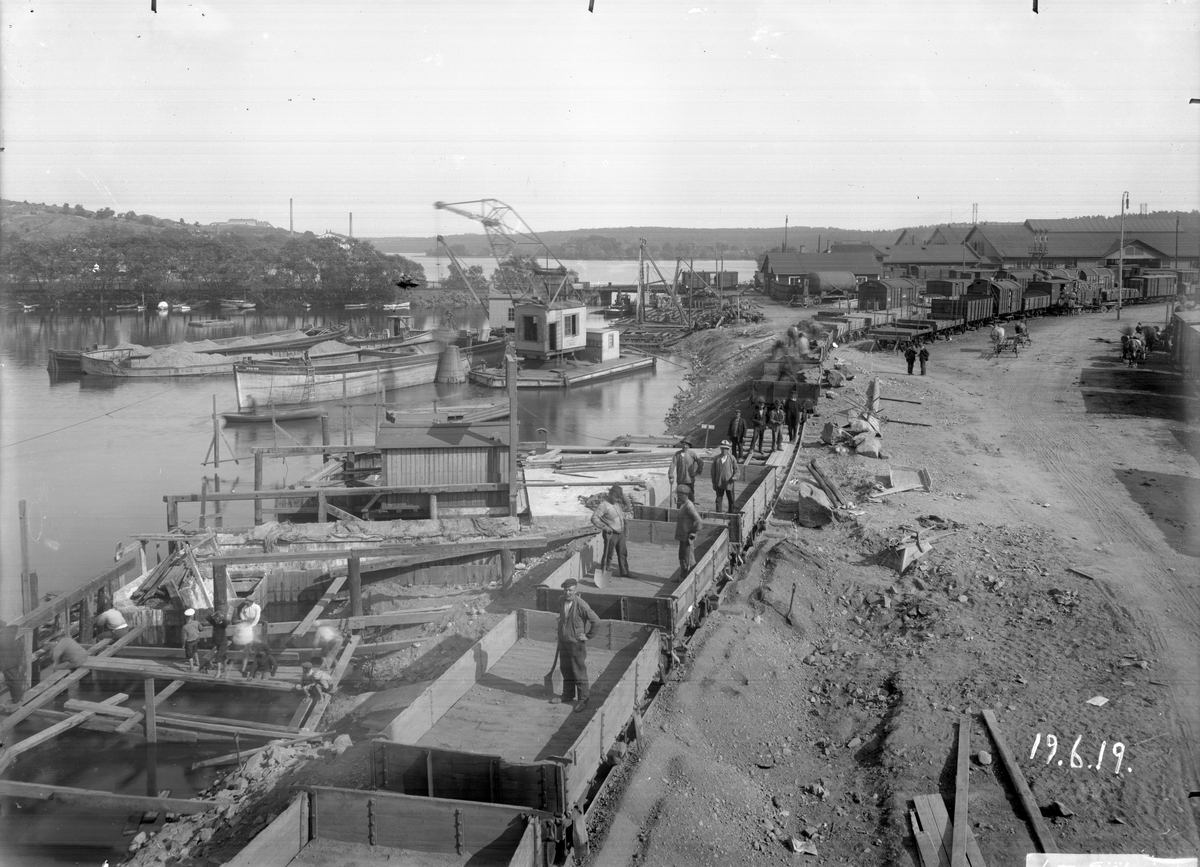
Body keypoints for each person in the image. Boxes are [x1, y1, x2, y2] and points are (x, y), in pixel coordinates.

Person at [553, 578, 600, 713]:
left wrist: (588, 636)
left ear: (576, 590)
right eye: (565, 590)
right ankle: (567, 695)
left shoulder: (581, 605)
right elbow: (562, 616)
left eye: (570, 590)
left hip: (576, 644)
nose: (567, 592)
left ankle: (583, 700)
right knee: (566, 669)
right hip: (563, 642)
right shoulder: (561, 600)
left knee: (579, 671)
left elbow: (597, 621)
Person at [590, 488, 630, 577]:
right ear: (610, 495)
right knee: (608, 555)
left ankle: (625, 572)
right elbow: (594, 518)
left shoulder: (616, 504)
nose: (617, 500)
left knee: (623, 553)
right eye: (616, 498)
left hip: (620, 533)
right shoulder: (603, 506)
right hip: (611, 534)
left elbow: (627, 505)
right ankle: (605, 573)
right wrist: (605, 527)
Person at [668, 439, 704, 506]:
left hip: (689, 480)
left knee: (690, 496)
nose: (685, 446)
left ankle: (691, 509)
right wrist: (670, 473)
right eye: (684, 444)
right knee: (680, 496)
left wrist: (697, 472)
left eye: (686, 445)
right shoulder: (677, 454)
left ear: (689, 446)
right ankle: (679, 510)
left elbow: (701, 462)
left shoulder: (692, 454)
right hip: (680, 480)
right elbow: (673, 464)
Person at [675, 498, 702, 581]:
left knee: (689, 560)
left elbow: (698, 521)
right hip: (683, 536)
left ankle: (694, 581)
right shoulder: (683, 505)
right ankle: (682, 578)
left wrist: (693, 532)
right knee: (682, 557)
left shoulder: (689, 506)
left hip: (687, 537)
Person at [0, 619, 25, 705]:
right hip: (15, 659)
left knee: (11, 681)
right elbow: (15, 626)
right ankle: (19, 697)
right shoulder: (9, 631)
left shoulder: (1, 638)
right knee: (14, 679)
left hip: (7, 663)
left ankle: (17, 699)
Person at [202, 606, 231, 677]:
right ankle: (225, 668)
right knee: (222, 656)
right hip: (218, 642)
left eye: (217, 618)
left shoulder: (223, 624)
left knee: (218, 657)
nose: (215, 620)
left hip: (223, 643)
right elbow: (208, 618)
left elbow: (227, 621)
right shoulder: (215, 624)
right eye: (215, 619)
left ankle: (218, 672)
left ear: (219, 618)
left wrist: (221, 616)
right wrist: (214, 614)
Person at [711, 440, 738, 512]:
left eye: (726, 449)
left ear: (728, 450)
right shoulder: (717, 458)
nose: (724, 450)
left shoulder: (732, 458)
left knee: (731, 499)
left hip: (729, 482)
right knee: (718, 499)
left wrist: (735, 476)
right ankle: (718, 513)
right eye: (722, 448)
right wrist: (713, 482)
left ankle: (731, 513)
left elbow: (736, 470)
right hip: (719, 482)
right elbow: (713, 471)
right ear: (720, 449)